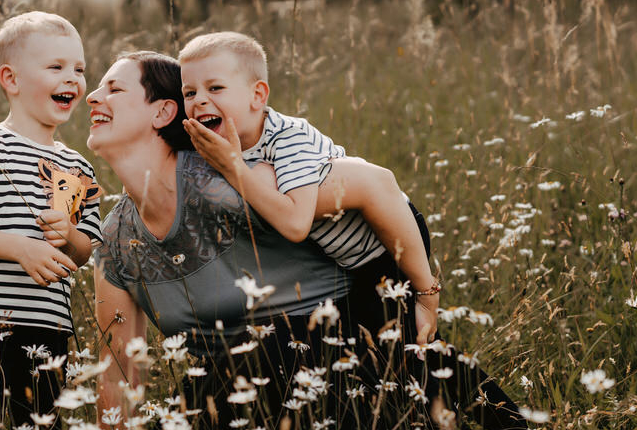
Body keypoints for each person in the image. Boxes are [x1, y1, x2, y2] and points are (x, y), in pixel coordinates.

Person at [89, 52, 525, 428]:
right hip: (234, 394)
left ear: (163, 112)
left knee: (270, 345)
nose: (93, 97)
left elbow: (378, 185)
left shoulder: (238, 179)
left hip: (343, 367)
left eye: (113, 89)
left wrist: (423, 294)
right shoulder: (115, 241)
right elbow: (117, 374)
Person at [178, 31, 442, 345]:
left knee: (406, 345)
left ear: (258, 96)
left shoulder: (288, 137)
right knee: (380, 346)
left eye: (215, 87)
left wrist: (232, 166)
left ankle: (428, 297)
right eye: (189, 93)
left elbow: (296, 224)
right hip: (348, 263)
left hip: (388, 244)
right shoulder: (215, 144)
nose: (200, 100)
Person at [0, 11, 101, 429]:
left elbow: (85, 251)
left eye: (79, 69)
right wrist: (21, 248)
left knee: (42, 422)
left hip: (49, 323)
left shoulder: (77, 166)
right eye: (56, 67)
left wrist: (69, 237)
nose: (73, 78)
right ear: (11, 79)